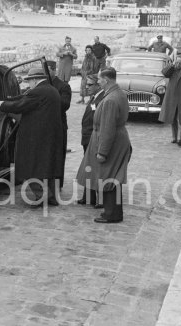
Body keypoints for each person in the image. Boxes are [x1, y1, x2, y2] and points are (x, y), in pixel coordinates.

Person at [0, 68, 63, 206]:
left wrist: (2, 105)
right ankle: (51, 197)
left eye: (29, 80)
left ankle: (43, 195)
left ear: (34, 80)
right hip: (49, 135)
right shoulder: (52, 90)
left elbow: (20, 105)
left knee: (31, 166)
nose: (29, 84)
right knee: (46, 167)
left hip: (36, 136)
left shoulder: (38, 91)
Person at [76, 68, 132, 223]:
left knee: (109, 177)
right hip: (117, 139)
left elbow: (107, 129)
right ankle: (113, 212)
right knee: (113, 177)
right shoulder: (116, 94)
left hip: (111, 143)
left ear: (106, 80)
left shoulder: (110, 100)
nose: (98, 81)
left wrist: (102, 152)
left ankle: (111, 214)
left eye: (99, 79)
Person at [77, 74, 105, 206]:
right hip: (87, 137)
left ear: (98, 85)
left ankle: (100, 198)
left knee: (96, 168)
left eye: (90, 85)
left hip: (93, 137)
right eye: (86, 84)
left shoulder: (101, 98)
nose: (86, 87)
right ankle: (88, 196)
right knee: (88, 167)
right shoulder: (94, 97)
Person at [47, 61, 72, 188]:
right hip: (45, 126)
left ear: (53, 70)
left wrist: (49, 100)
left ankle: (57, 183)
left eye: (47, 70)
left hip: (58, 125)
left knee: (58, 156)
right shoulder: (43, 85)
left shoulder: (63, 86)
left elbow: (65, 104)